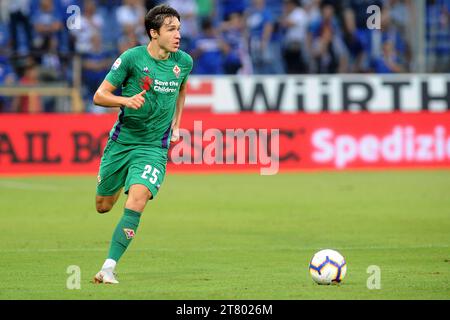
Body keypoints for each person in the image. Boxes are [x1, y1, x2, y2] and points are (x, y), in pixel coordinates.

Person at [91, 4, 193, 284]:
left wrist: (178, 122)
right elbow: (99, 96)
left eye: (179, 29)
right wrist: (125, 100)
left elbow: (183, 86)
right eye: (171, 29)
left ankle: (108, 268)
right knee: (103, 206)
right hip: (122, 143)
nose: (178, 35)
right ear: (153, 33)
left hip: (153, 148)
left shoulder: (183, 61)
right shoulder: (132, 59)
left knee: (138, 199)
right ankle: (121, 181)